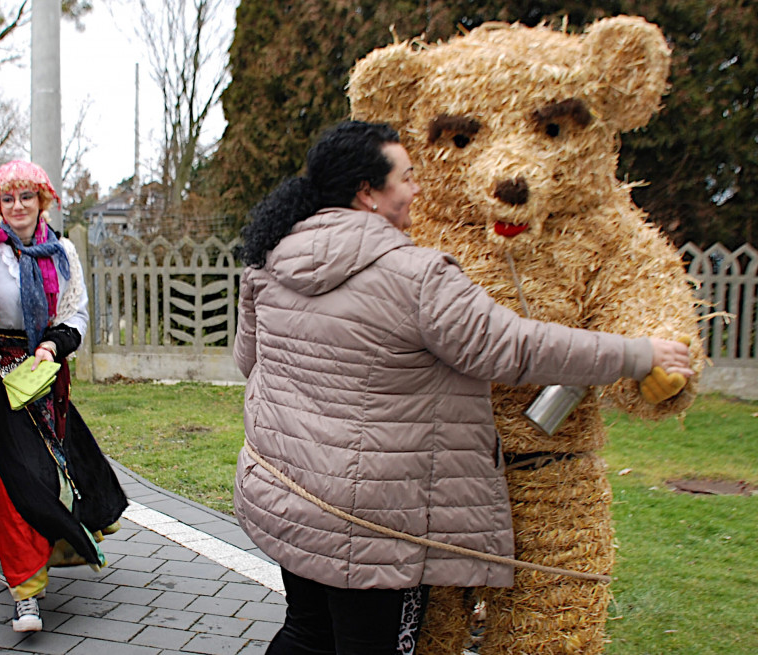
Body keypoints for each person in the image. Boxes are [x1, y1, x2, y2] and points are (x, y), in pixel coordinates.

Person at [231, 121, 694, 655]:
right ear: (368, 193)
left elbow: (249, 360)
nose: (418, 188)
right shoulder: (415, 275)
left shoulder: (272, 257)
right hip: (372, 524)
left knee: (306, 633)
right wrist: (638, 354)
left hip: (290, 498)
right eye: (407, 177)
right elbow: (514, 349)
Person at [0, 160, 128, 633]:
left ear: (43, 202)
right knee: (16, 482)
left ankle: (60, 542)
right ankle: (26, 595)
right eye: (8, 199)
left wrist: (53, 345)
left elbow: (77, 313)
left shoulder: (63, 252)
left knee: (58, 470)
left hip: (46, 377)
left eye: (27, 197)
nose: (18, 207)